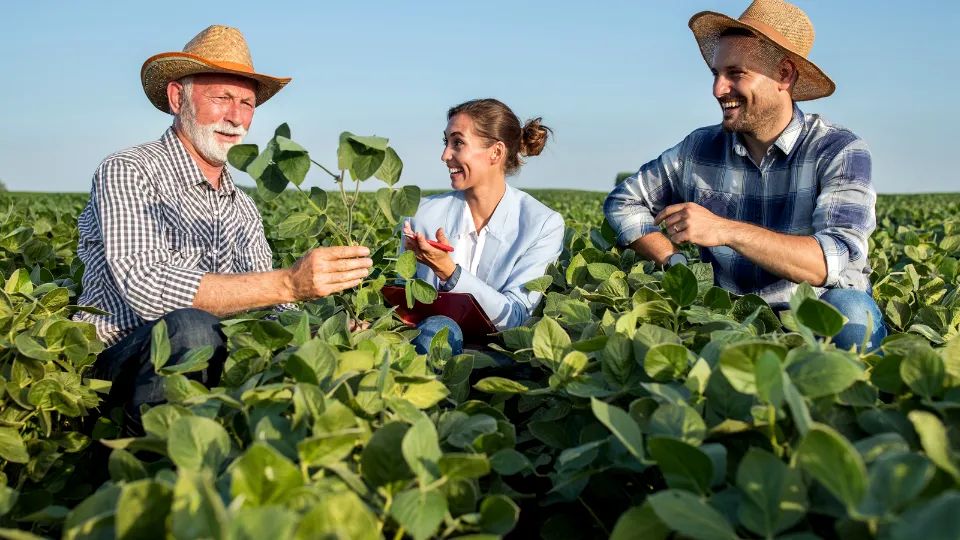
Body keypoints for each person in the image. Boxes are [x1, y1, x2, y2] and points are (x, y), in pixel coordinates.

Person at [74, 25, 373, 427]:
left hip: (216, 356)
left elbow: (271, 310)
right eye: (221, 98)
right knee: (193, 328)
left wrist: (324, 331)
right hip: (120, 361)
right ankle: (149, 460)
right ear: (177, 97)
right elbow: (147, 287)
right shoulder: (130, 170)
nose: (235, 118)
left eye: (247, 103)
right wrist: (289, 282)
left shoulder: (243, 207)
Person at [603, 0, 886, 352]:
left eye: (735, 74)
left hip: (809, 315)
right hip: (726, 316)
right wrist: (673, 261)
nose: (718, 89)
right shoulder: (699, 148)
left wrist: (724, 230)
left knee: (853, 314)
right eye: (716, 74)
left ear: (784, 75)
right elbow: (624, 202)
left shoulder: (838, 149)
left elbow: (830, 260)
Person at [402, 99, 565, 356]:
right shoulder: (422, 214)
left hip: (501, 359)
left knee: (440, 328)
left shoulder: (541, 224)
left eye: (458, 142)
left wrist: (448, 272)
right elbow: (403, 298)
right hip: (427, 347)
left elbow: (515, 318)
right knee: (437, 329)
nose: (445, 155)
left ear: (496, 152)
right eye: (446, 142)